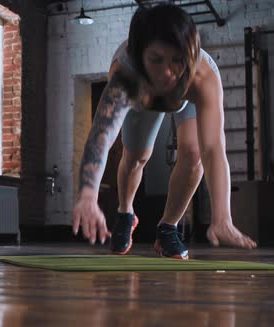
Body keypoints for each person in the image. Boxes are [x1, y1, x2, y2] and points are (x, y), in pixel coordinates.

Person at [72, 3, 257, 259]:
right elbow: (101, 137)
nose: (168, 72)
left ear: (188, 56)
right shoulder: (126, 74)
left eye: (177, 61)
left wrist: (222, 217)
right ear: (141, 56)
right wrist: (88, 195)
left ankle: (168, 227)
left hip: (186, 96)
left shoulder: (202, 77)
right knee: (137, 156)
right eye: (157, 60)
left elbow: (213, 149)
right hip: (143, 96)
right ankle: (126, 213)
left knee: (194, 155)